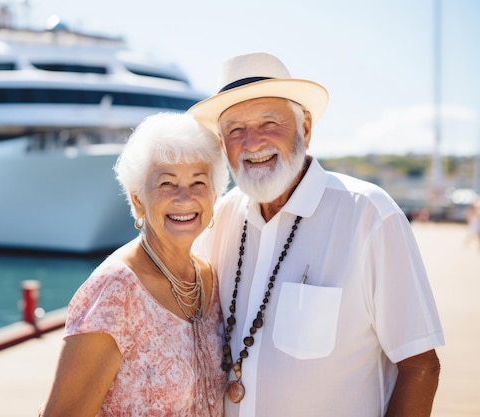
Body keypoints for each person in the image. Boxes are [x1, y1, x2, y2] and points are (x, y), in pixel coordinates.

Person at [189, 52, 445, 417]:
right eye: (235, 130)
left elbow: (420, 365)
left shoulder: (368, 214)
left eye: (268, 123)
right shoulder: (220, 217)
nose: (253, 142)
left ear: (305, 129)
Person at [39, 112, 230, 417]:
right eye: (167, 183)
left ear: (215, 194)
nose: (185, 198)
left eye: (198, 182)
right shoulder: (116, 290)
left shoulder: (210, 278)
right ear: (138, 199)